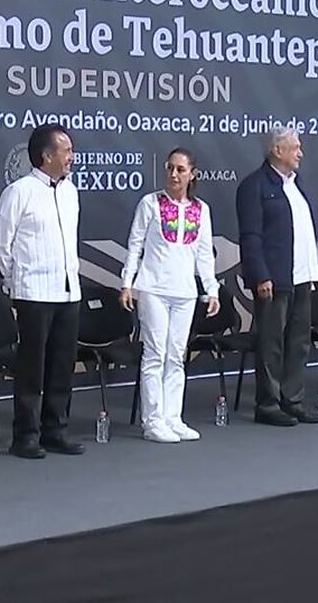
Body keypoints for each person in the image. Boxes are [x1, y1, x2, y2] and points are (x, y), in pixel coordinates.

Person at [0, 124, 85, 459]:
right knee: (32, 367)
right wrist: (17, 280)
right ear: (46, 156)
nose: (72, 157)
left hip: (68, 291)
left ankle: (55, 430)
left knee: (62, 365)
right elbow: (1, 244)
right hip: (33, 293)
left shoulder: (71, 191)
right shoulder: (20, 191)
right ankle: (25, 435)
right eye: (66, 150)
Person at [119, 148, 221, 443]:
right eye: (170, 168)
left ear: (192, 174)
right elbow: (135, 245)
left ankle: (172, 417)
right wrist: (127, 283)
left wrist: (210, 289)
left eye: (180, 169)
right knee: (155, 353)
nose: (174, 175)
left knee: (176, 356)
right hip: (153, 288)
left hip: (185, 292)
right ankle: (152, 421)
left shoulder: (201, 210)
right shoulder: (149, 204)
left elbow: (204, 254)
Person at [236, 125, 318, 427]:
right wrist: (260, 275)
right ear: (277, 150)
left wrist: (312, 272)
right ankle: (268, 403)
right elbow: (251, 235)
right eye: (295, 147)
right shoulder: (255, 186)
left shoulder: (297, 185)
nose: (301, 152)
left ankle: (292, 399)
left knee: (299, 343)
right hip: (274, 279)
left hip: (301, 277)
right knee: (271, 342)